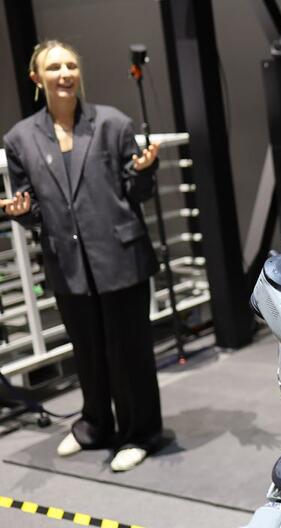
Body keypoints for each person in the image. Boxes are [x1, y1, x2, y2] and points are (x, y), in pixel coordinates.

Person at [2, 40, 163, 472]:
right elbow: (32, 208)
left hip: (120, 258)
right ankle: (95, 425)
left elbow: (137, 192)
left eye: (71, 65)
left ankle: (140, 433)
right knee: (87, 352)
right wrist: (21, 212)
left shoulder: (113, 123)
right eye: (54, 67)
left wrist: (144, 171)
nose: (65, 73)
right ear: (37, 78)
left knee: (129, 353)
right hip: (67, 262)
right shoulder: (19, 139)